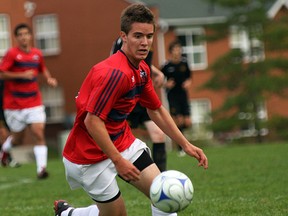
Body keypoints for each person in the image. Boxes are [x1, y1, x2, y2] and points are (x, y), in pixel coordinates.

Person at [54, 4, 208, 216]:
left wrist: (186, 144)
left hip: (122, 141)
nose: (144, 43)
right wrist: (118, 161)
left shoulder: (142, 68)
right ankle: (69, 214)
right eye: (137, 36)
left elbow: (156, 110)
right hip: (87, 156)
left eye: (149, 36)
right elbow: (92, 122)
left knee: (162, 192)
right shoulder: (115, 74)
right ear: (123, 37)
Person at [0, 23, 58, 179]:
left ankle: (41, 169)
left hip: (34, 101)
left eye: (26, 34)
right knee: (18, 139)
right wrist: (22, 75)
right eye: (20, 34)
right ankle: (5, 150)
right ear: (16, 37)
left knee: (38, 133)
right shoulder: (12, 54)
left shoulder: (37, 54)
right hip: (14, 105)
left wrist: (49, 79)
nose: (24, 37)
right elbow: (2, 74)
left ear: (30, 35)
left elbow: (42, 68)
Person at [111, 37, 167, 172]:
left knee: (159, 134)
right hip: (128, 97)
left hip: (142, 97)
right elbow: (113, 63)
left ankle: (161, 178)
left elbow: (144, 63)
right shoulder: (122, 42)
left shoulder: (148, 40)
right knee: (118, 139)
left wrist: (156, 72)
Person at [161, 41, 193, 156]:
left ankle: (184, 143)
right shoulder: (166, 65)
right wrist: (166, 84)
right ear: (171, 51)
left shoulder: (184, 63)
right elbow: (158, 80)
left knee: (187, 122)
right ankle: (181, 148)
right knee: (178, 119)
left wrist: (188, 83)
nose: (178, 51)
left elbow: (189, 77)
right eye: (175, 49)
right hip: (172, 96)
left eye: (179, 49)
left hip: (183, 95)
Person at [0, 78, 20, 167]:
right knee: (3, 134)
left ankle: (6, 158)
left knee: (9, 136)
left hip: (7, 110)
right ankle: (8, 158)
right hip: (2, 112)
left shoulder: (5, 79)